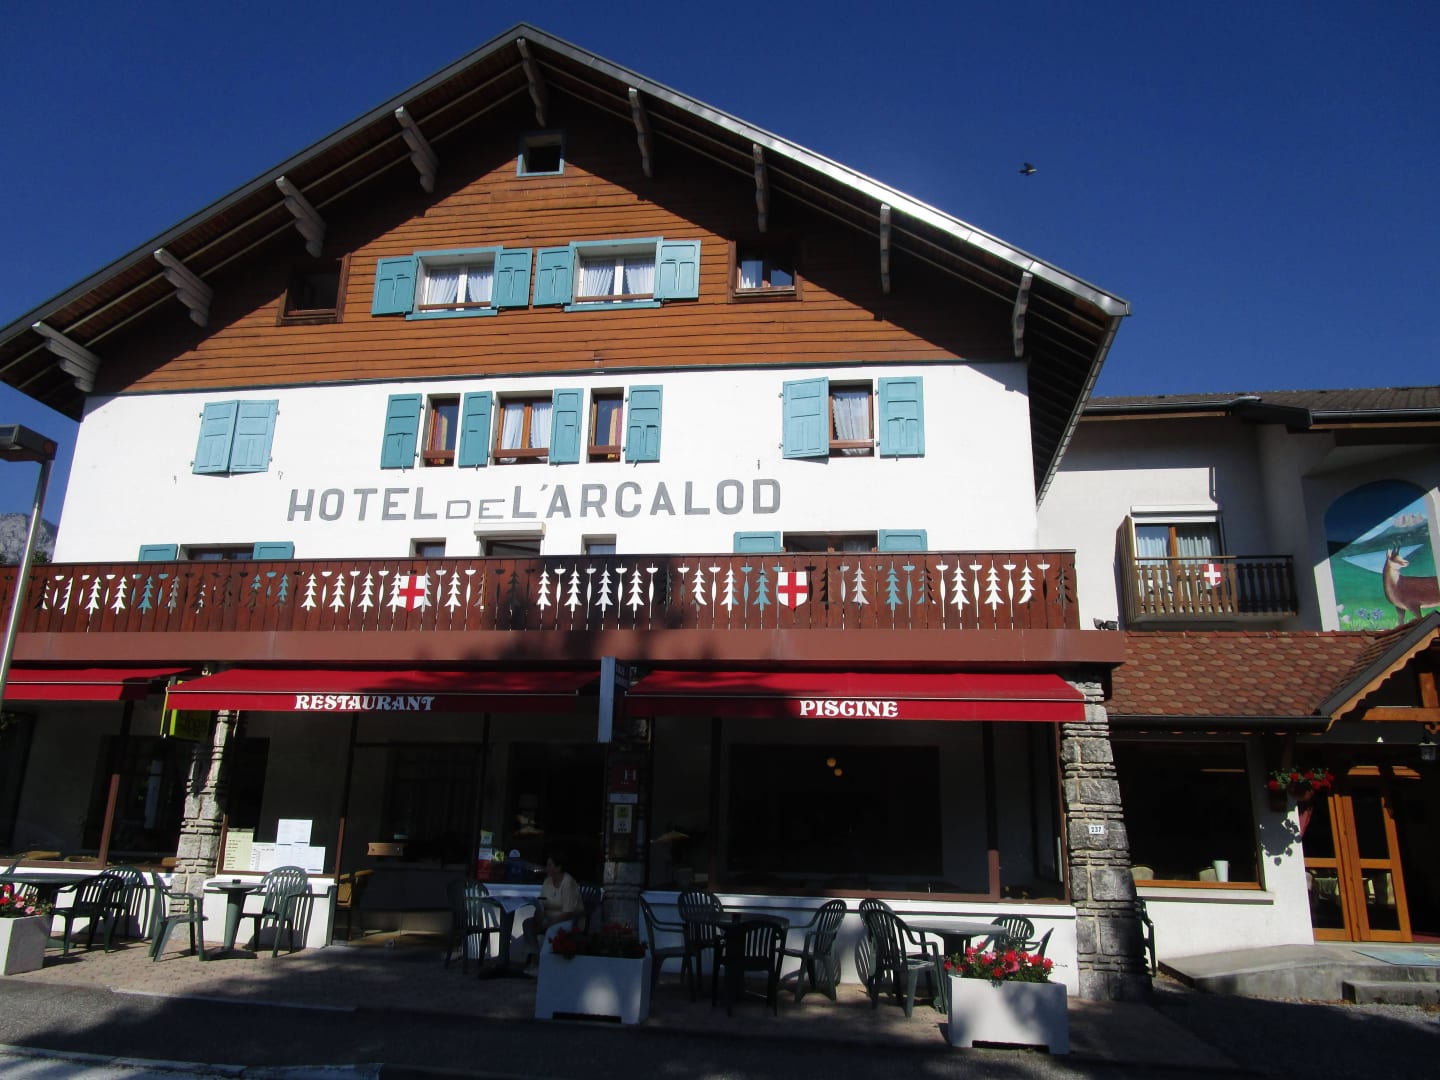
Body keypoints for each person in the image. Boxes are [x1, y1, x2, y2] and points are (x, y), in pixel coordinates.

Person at [521, 852, 583, 972]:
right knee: (528, 923)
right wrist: (539, 916)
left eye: (550, 865)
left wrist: (549, 923)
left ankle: (543, 964)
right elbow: (541, 903)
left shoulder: (568, 882)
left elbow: (568, 912)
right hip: (547, 918)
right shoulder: (547, 882)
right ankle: (535, 959)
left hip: (566, 920)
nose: (547, 868)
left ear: (558, 867)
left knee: (550, 929)